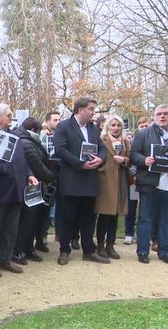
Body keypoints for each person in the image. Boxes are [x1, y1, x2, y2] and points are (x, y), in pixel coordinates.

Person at [0, 104, 37, 277]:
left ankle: (6, 259)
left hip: (17, 187)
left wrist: (29, 174)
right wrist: (6, 170)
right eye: (8, 114)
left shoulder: (15, 135)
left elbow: (23, 160)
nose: (11, 117)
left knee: (12, 227)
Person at [53, 97, 109, 265]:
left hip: (89, 180)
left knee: (88, 218)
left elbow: (102, 149)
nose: (94, 112)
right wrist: (80, 164)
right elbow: (61, 150)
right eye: (91, 109)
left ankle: (89, 251)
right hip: (71, 179)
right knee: (67, 217)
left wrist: (100, 159)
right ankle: (64, 250)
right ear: (80, 110)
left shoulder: (94, 129)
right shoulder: (63, 126)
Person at [130, 104, 168, 264]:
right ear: (154, 117)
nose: (162, 116)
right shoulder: (143, 134)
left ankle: (164, 252)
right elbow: (133, 154)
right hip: (149, 182)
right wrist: (144, 160)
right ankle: (142, 251)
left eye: (166, 114)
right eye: (159, 114)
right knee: (145, 218)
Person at [13, 117, 56, 264]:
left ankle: (25, 248)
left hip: (31, 186)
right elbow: (37, 165)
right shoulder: (27, 143)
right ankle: (19, 250)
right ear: (34, 130)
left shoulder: (24, 140)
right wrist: (53, 177)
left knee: (29, 221)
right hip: (30, 187)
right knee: (27, 221)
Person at [95, 116, 131, 259]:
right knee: (104, 215)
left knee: (115, 216)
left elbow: (130, 158)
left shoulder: (125, 141)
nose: (116, 128)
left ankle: (110, 245)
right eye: (113, 125)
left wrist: (124, 160)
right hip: (104, 180)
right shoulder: (101, 139)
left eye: (118, 125)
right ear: (107, 127)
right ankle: (100, 245)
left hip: (120, 181)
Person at [123, 117, 152, 245]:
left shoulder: (154, 140)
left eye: (146, 126)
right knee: (131, 206)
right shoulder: (133, 141)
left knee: (146, 209)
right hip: (134, 180)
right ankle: (129, 233)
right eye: (141, 126)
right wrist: (134, 174)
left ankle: (146, 235)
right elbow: (131, 159)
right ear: (138, 128)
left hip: (149, 181)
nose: (144, 129)